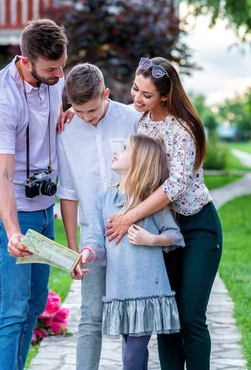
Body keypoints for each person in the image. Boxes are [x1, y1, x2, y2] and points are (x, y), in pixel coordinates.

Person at [106, 57, 222, 370]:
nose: (137, 98)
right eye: (135, 89)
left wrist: (129, 217)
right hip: (160, 229)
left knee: (191, 317)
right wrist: (70, 114)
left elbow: (176, 185)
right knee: (167, 318)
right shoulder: (142, 122)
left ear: (165, 96)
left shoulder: (182, 130)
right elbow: (107, 110)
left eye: (146, 95)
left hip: (197, 226)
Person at [0, 19, 67, 370]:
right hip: (7, 211)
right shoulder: (0, 101)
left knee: (34, 304)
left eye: (62, 65)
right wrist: (12, 231)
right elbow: (2, 174)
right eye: (50, 69)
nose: (59, 75)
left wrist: (67, 113)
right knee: (11, 306)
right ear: (25, 60)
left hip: (44, 207)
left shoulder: (54, 78)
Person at [74, 134, 184, 370]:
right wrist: (84, 255)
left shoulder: (151, 201)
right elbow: (95, 241)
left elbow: (175, 237)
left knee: (131, 358)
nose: (117, 151)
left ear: (139, 161)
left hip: (147, 292)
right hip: (120, 292)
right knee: (136, 356)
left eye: (124, 148)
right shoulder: (104, 199)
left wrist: (151, 239)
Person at [57, 63, 141, 370]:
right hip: (92, 238)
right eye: (79, 112)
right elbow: (67, 192)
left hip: (132, 235)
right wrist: (70, 248)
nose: (86, 118)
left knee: (131, 320)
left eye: (92, 110)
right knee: (90, 317)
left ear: (105, 94)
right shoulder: (66, 131)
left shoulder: (132, 120)